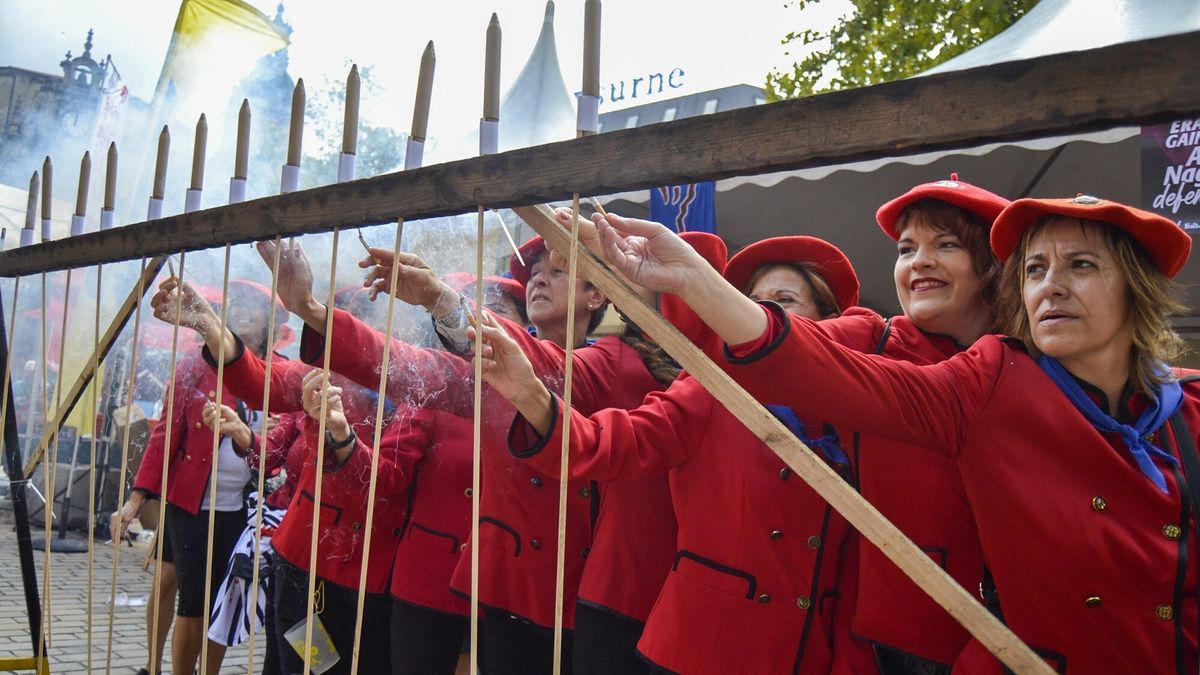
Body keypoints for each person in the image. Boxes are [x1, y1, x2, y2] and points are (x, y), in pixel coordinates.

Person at [574, 196, 1198, 674]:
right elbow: (808, 361)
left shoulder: (1184, 407)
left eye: (1081, 264)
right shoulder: (987, 382)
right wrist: (694, 279)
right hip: (897, 645)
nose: (1051, 285)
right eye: (1035, 268)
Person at [475, 235, 863, 674]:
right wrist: (528, 391)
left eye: (785, 301)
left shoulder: (857, 414)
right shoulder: (709, 386)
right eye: (753, 302)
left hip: (801, 654)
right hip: (692, 642)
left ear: (831, 319)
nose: (764, 315)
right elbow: (611, 441)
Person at [150, 275, 412, 675]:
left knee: (341, 668)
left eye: (368, 322)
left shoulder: (412, 398)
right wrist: (241, 430)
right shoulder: (316, 382)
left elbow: (386, 479)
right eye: (352, 322)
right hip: (298, 567)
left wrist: (342, 436)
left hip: (365, 576)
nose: (357, 336)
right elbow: (268, 437)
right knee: (292, 662)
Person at [114, 279, 287, 675]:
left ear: (269, 320)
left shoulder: (282, 371)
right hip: (190, 502)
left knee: (223, 600)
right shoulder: (196, 365)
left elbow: (289, 438)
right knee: (186, 594)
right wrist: (137, 499)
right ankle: (159, 668)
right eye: (235, 303)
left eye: (252, 305)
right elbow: (164, 435)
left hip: (245, 507)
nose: (241, 310)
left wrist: (265, 431)